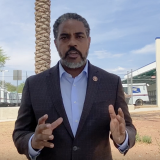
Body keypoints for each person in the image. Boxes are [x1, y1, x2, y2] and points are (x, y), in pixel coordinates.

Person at [12, 13, 136, 160]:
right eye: (64, 37)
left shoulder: (111, 82)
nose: (72, 43)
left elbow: (129, 127)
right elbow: (20, 133)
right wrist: (33, 141)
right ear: (56, 43)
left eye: (79, 36)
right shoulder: (34, 85)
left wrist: (123, 138)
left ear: (88, 41)